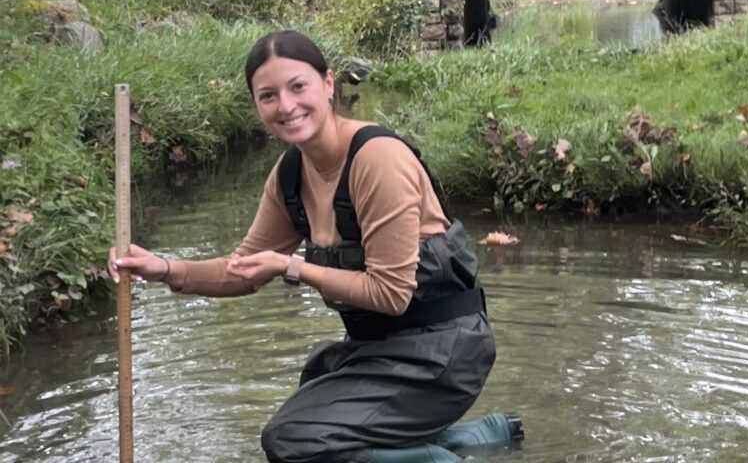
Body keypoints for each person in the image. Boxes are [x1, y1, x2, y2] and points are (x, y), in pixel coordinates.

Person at [109, 30, 522, 462]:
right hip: (379, 350)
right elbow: (244, 270)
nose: (285, 106)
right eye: (268, 95)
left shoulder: (378, 159)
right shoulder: (290, 175)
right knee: (315, 388)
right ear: (256, 105)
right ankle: (458, 440)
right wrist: (164, 268)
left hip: (445, 354)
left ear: (328, 84)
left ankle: (435, 459)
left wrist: (292, 266)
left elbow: (392, 294)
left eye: (297, 86)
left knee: (294, 441)